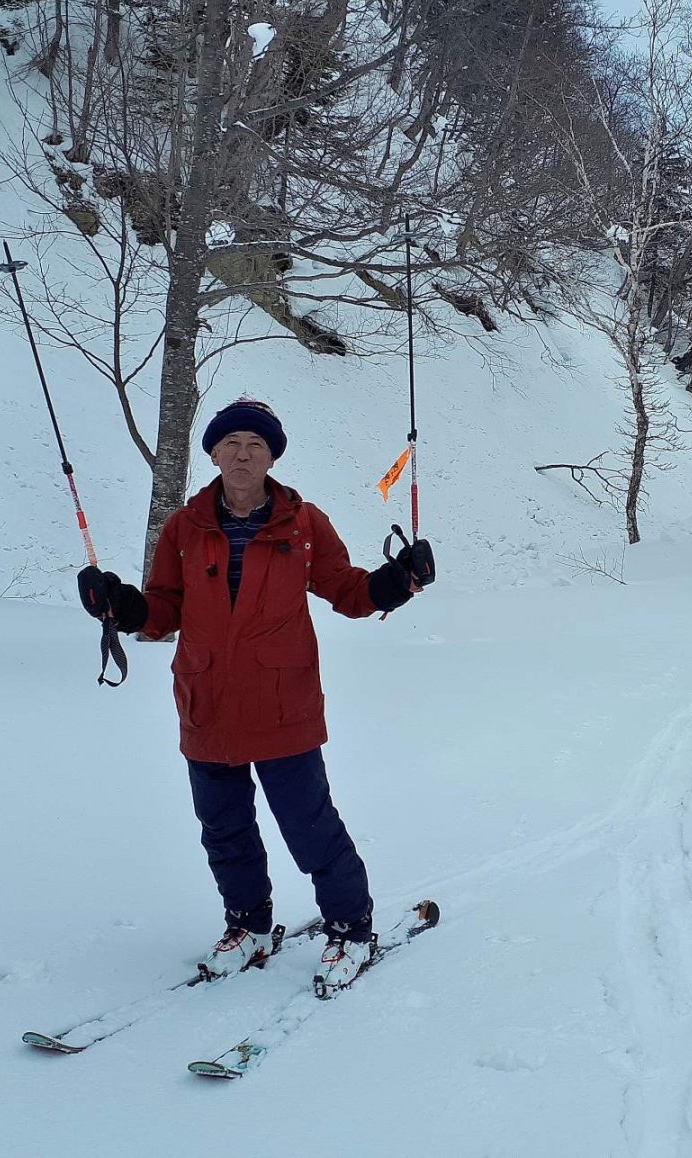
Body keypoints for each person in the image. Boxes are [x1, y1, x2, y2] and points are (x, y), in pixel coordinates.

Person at [76, 397, 427, 993]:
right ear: (213, 453)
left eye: (256, 445)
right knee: (223, 827)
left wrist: (397, 582)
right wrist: (124, 605)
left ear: (271, 458)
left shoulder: (304, 523)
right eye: (231, 443)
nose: (242, 454)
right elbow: (164, 609)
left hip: (281, 700)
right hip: (206, 699)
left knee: (307, 823)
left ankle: (351, 927)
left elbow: (347, 591)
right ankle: (249, 926)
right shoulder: (184, 527)